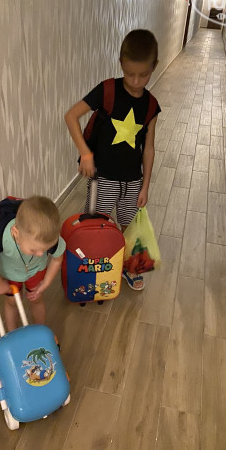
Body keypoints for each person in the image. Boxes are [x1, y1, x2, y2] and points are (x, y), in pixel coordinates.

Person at [65, 29, 161, 291]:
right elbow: (71, 116)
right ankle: (94, 270)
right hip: (104, 178)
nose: (136, 81)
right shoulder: (107, 90)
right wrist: (85, 153)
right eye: (129, 74)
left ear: (154, 66)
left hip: (133, 181)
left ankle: (129, 268)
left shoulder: (151, 105)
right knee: (97, 225)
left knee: (129, 227)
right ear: (120, 63)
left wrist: (145, 185)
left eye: (144, 74)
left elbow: (149, 148)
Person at [0, 196, 65, 330]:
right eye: (34, 250)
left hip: (37, 269)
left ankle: (40, 332)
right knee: (12, 302)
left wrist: (46, 282)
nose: (41, 254)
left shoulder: (48, 238)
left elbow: (57, 258)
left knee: (36, 298)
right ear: (16, 233)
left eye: (45, 250)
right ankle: (13, 333)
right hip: (10, 272)